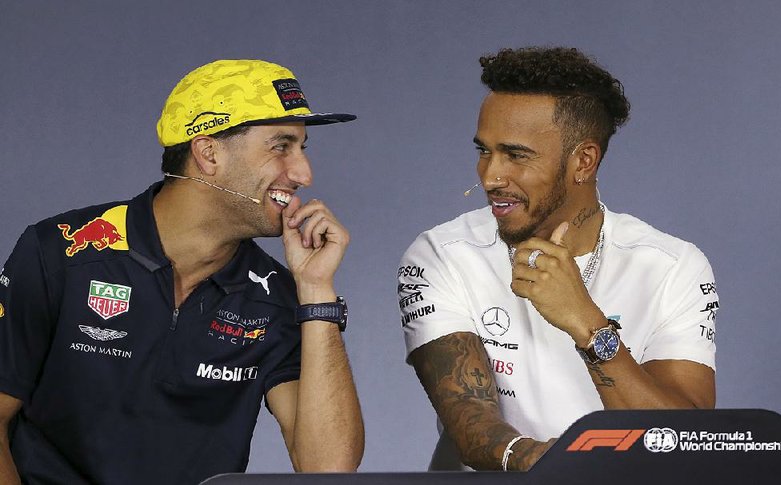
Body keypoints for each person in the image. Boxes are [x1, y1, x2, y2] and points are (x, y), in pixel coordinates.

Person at [0, 59, 364, 484]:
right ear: (208, 152)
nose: (304, 173)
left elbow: (329, 468)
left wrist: (317, 293)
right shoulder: (62, 251)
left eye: (302, 149)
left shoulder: (276, 295)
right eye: (281, 146)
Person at [396, 47, 718, 471]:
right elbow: (472, 426)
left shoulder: (674, 266)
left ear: (583, 161)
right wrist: (567, 466)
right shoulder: (442, 254)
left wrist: (586, 322)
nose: (491, 176)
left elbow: (685, 442)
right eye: (484, 151)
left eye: (516, 155)